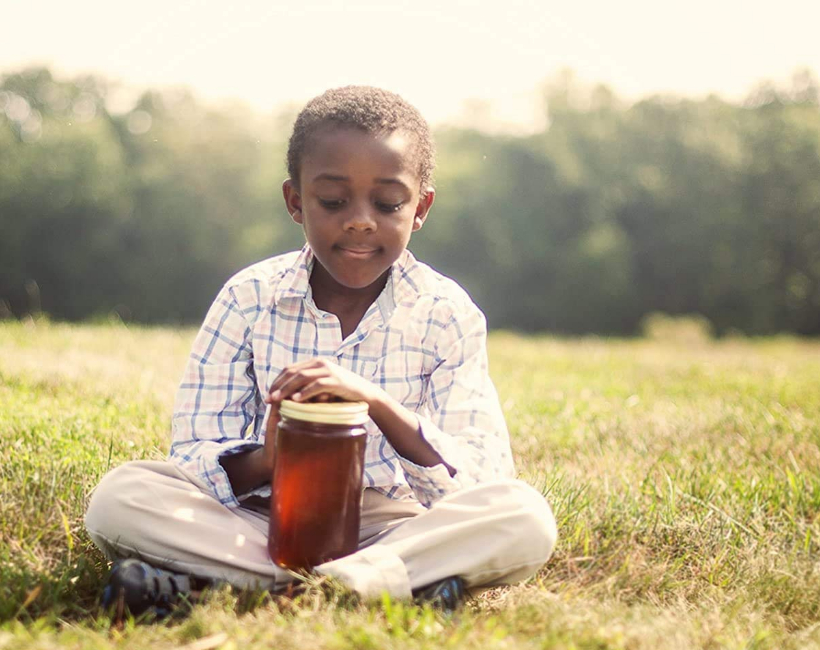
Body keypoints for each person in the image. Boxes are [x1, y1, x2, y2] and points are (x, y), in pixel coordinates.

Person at [84, 86, 558, 618]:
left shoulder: (446, 311)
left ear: (420, 207)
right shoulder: (249, 298)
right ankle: (378, 588)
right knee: (121, 497)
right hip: (265, 520)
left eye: (387, 203)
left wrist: (375, 403)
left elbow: (479, 478)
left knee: (524, 516)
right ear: (295, 201)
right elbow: (193, 456)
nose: (360, 220)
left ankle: (243, 587)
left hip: (393, 523)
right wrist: (270, 458)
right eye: (333, 202)